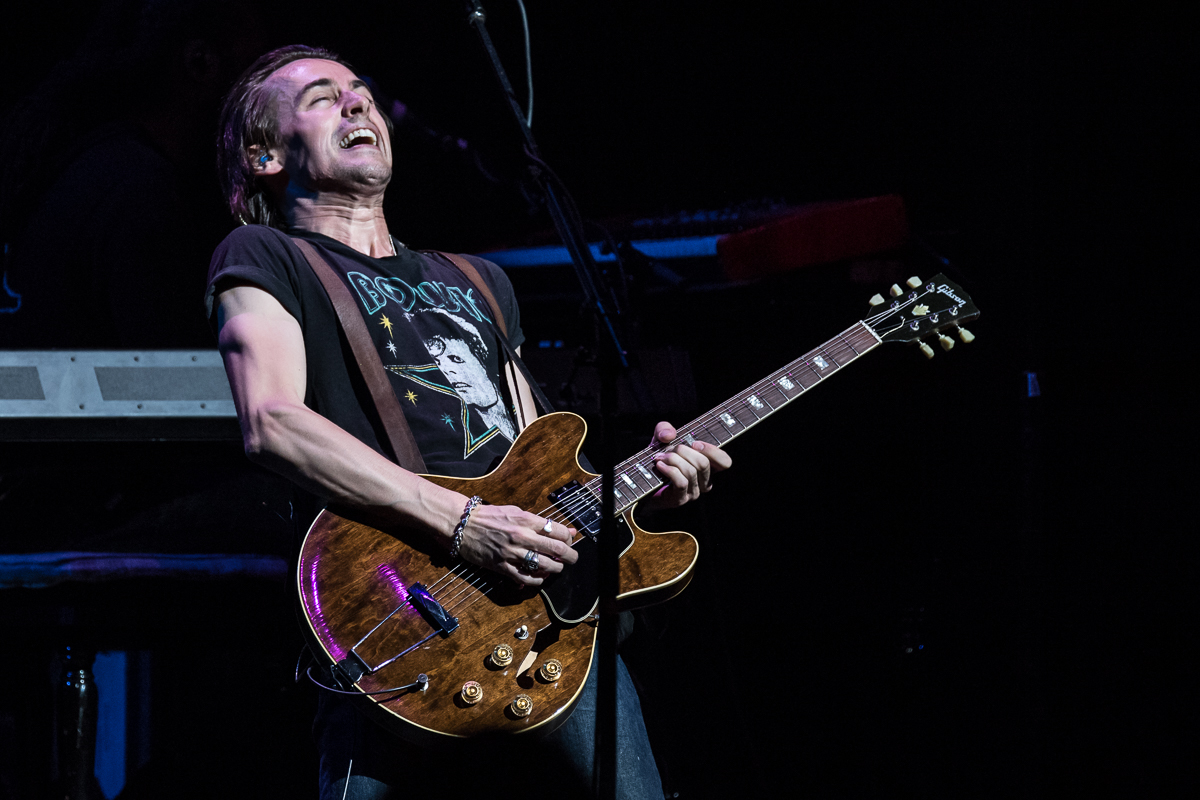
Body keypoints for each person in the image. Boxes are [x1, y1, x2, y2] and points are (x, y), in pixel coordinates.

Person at [206, 44, 730, 799]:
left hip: (536, 614)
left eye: (363, 92)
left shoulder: (478, 280)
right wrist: (462, 522)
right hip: (392, 605)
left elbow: (541, 464)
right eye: (323, 98)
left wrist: (647, 489)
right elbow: (274, 422)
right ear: (262, 155)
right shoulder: (265, 256)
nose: (358, 104)